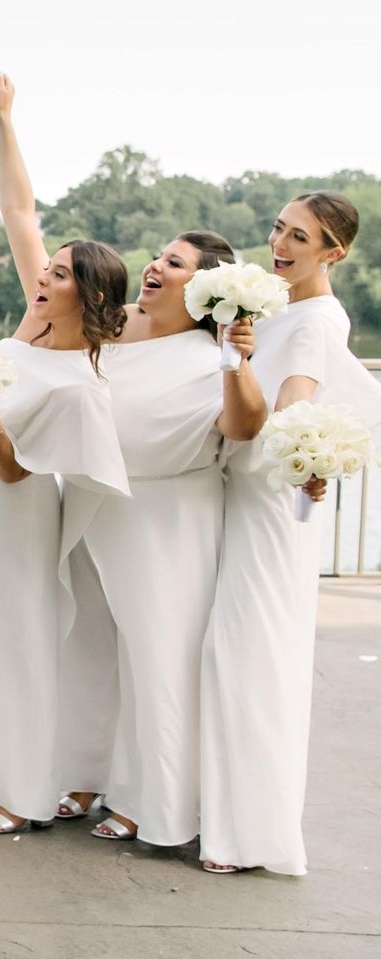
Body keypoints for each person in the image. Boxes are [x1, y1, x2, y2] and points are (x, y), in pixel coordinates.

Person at [0, 72, 130, 835]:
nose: (44, 276)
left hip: (16, 519)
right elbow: (18, 212)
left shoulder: (80, 384)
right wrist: (4, 119)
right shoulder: (31, 325)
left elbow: (15, 469)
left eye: (62, 273)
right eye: (49, 267)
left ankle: (26, 788)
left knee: (17, 646)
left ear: (93, 296)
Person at [54, 221, 266, 846]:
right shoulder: (115, 335)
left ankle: (153, 799)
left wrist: (237, 359)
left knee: (157, 658)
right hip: (95, 503)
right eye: (156, 258)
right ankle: (84, 771)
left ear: (204, 288)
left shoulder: (216, 358)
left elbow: (244, 426)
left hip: (168, 517)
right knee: (85, 645)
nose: (153, 267)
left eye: (172, 263)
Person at [200, 192, 381, 875]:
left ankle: (248, 835)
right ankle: (223, 816)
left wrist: (241, 363)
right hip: (239, 492)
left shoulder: (314, 319)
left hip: (268, 506)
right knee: (230, 656)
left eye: (300, 236)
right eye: (279, 227)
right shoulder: (276, 307)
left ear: (333, 252)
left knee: (249, 659)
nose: (280, 243)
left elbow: (294, 407)